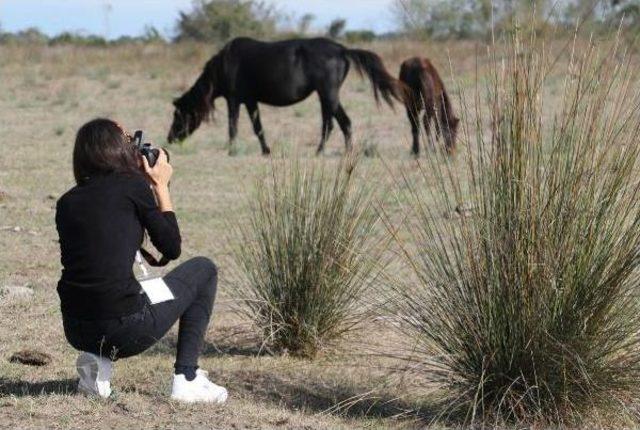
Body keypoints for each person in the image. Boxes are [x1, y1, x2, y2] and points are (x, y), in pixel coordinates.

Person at [55, 118, 227, 403]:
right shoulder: (133, 187)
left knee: (118, 288)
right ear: (118, 151)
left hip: (75, 328)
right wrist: (160, 186)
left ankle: (98, 368)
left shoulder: (66, 202)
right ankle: (187, 379)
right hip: (124, 329)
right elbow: (170, 248)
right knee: (204, 269)